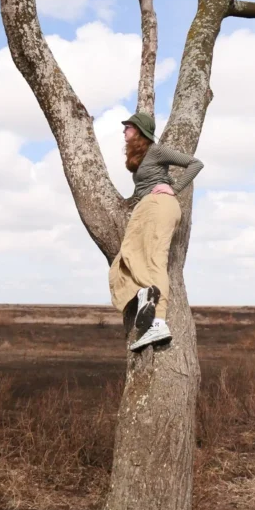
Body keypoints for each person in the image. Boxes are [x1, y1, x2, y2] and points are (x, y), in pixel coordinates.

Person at [109, 112, 203, 351]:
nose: (124, 130)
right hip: (148, 207)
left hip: (159, 205)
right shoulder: (142, 157)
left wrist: (175, 188)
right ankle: (145, 297)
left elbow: (195, 163)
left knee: (154, 261)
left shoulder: (156, 150)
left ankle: (158, 322)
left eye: (128, 127)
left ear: (140, 130)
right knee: (129, 257)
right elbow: (149, 182)